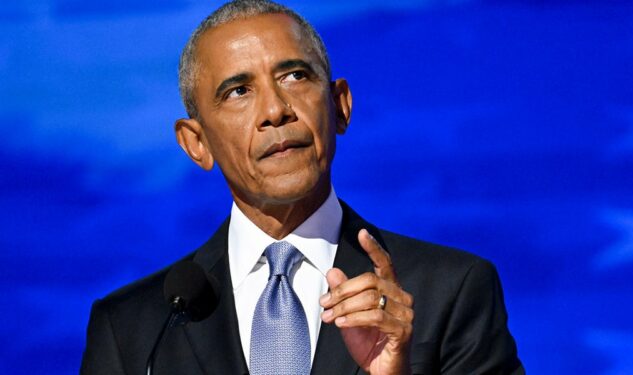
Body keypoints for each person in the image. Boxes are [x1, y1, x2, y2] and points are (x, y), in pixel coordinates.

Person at [80, 1, 523, 374]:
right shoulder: (132, 329)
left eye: (295, 76)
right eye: (237, 91)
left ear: (340, 106)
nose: (275, 110)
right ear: (196, 144)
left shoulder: (452, 291)